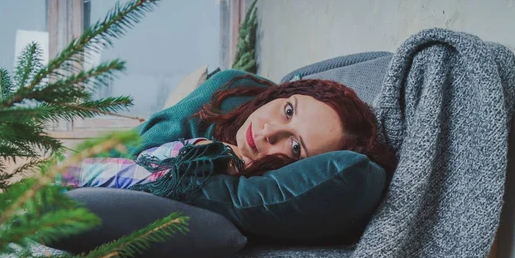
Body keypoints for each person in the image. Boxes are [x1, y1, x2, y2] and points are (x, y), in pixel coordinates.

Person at [57, 70, 396, 199]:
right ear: (286, 93)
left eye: (294, 146)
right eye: (288, 110)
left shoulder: (268, 190)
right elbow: (129, 156)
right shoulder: (231, 90)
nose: (268, 132)